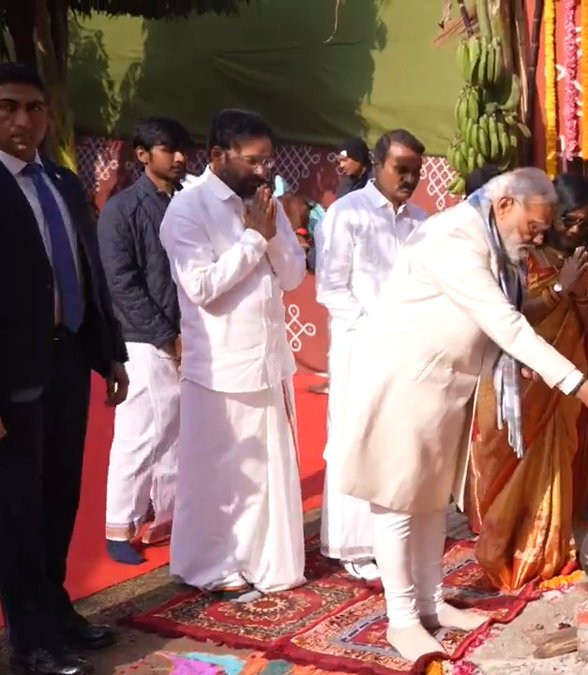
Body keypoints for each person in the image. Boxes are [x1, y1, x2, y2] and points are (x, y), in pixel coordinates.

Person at [334, 167, 588, 662]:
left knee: (430, 501)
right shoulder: (455, 238)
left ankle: (433, 603)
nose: (538, 238)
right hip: (404, 380)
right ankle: (402, 619)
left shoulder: (496, 242)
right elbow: (505, 322)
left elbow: (506, 321)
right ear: (504, 205)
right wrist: (584, 388)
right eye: (534, 227)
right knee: (396, 502)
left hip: (445, 385)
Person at [0, 61, 128, 675]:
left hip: (69, 357)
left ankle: (56, 611)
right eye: (7, 107)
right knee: (15, 509)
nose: (23, 120)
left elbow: (89, 272)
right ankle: (30, 639)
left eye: (34, 107)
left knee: (59, 497)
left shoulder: (61, 181)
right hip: (11, 378)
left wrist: (111, 352)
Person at [160, 108, 308, 601]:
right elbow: (202, 287)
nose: (264, 171)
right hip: (219, 365)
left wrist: (271, 233)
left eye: (269, 160)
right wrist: (253, 239)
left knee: (267, 472)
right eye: (253, 161)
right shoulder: (188, 208)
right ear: (218, 155)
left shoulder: (266, 204)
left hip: (268, 359)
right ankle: (209, 565)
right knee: (218, 477)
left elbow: (293, 276)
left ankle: (266, 562)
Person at [465, 173, 588, 592]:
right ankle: (503, 547)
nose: (575, 230)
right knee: (508, 461)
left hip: (566, 378)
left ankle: (546, 550)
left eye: (584, 222)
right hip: (518, 379)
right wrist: (560, 287)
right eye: (568, 220)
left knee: (556, 460)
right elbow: (508, 319)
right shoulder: (519, 255)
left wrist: (579, 290)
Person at [316, 129, 429, 581]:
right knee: (355, 439)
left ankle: (392, 538)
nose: (409, 179)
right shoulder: (347, 214)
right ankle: (353, 545)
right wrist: (376, 330)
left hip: (407, 352)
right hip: (359, 348)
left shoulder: (421, 221)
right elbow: (331, 288)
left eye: (416, 172)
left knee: (397, 442)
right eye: (401, 169)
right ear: (377, 164)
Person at [97, 117, 190, 566]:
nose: (180, 157)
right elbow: (121, 284)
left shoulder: (187, 203)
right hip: (140, 338)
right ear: (141, 154)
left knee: (174, 431)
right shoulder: (122, 210)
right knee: (139, 434)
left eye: (183, 149)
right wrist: (165, 335)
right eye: (169, 149)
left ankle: (165, 516)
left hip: (185, 335)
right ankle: (119, 527)